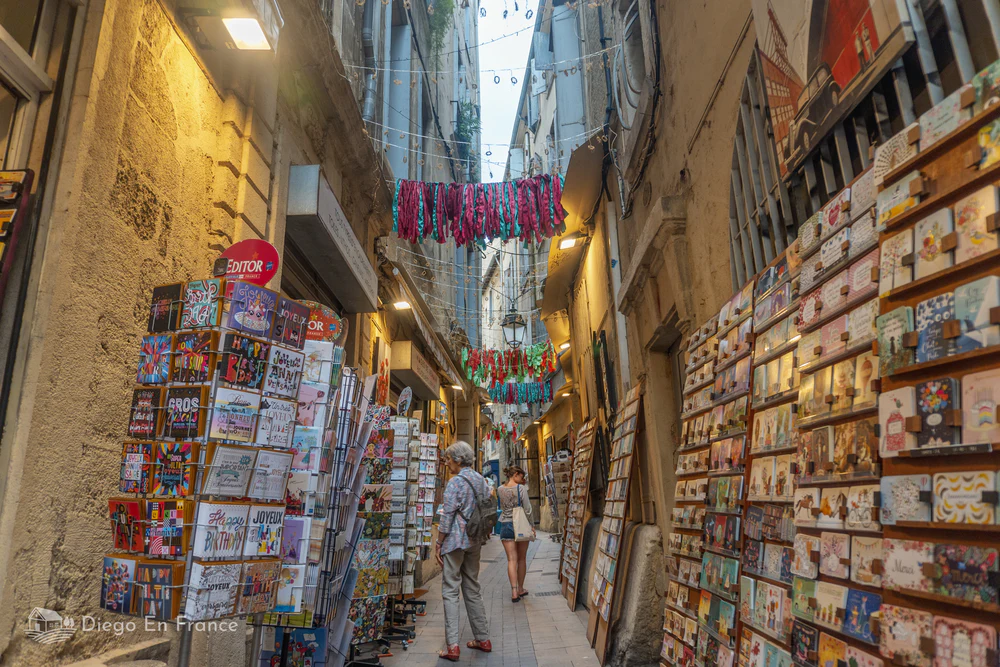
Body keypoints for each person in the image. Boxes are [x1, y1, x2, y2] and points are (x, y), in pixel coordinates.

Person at [436, 441, 492, 661]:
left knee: (450, 589)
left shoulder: (455, 482)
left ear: (458, 460)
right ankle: (483, 638)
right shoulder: (481, 480)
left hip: (456, 541)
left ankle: (452, 646)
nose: (447, 462)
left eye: (449, 458)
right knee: (472, 587)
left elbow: (447, 515)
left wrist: (439, 543)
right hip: (475, 539)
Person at [497, 465, 532, 602]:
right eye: (521, 477)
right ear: (516, 474)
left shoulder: (500, 489)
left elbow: (502, 506)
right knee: (522, 559)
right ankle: (521, 588)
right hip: (520, 525)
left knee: (511, 559)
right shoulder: (520, 489)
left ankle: (513, 592)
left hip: (505, 524)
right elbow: (527, 509)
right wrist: (532, 525)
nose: (522, 480)